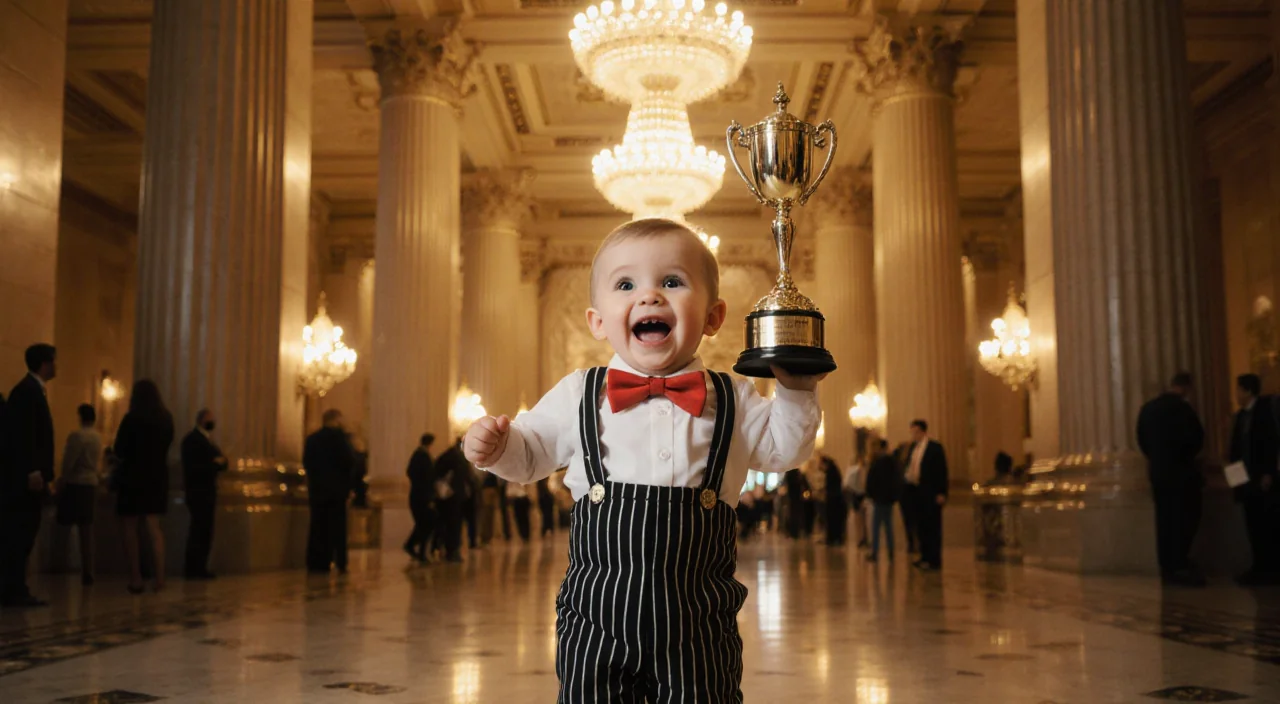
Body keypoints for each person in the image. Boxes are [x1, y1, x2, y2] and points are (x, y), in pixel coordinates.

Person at [464, 218, 823, 701]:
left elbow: (784, 448)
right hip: (596, 621)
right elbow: (531, 454)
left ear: (713, 317)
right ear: (597, 321)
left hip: (699, 625)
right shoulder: (579, 393)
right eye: (626, 285)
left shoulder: (733, 397)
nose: (650, 296)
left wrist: (796, 392)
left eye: (672, 282)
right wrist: (498, 448)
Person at [1136, 372, 1206, 586]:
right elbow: (1196, 439)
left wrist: (1156, 458)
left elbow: (1142, 440)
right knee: (1185, 518)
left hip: (1159, 472)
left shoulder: (1148, 409)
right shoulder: (1183, 409)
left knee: (1164, 519)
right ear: (1187, 388)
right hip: (1182, 473)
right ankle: (1180, 562)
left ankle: (1167, 565)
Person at [0, 343, 57, 607]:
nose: (56, 366)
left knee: (25, 533)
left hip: (32, 478)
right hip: (26, 480)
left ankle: (16, 587)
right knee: (20, 533)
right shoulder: (26, 392)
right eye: (54, 361)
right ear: (44, 363)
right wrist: (32, 470)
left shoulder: (32, 390)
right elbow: (22, 436)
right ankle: (13, 588)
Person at [112, 379, 176, 594]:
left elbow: (119, 449)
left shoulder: (131, 419)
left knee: (129, 527)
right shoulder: (166, 418)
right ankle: (160, 578)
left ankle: (136, 578)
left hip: (132, 476)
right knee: (154, 527)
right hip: (157, 476)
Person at [1229, 373, 1280, 585]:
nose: (1236, 394)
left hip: (1262, 478)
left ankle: (1270, 568)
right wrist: (1235, 481)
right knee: (1252, 524)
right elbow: (1235, 450)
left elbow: (1271, 443)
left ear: (1248, 391)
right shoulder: (1240, 416)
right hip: (1246, 480)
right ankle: (1258, 567)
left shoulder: (1265, 412)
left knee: (1267, 524)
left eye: (1238, 390)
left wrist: (1269, 472)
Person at [303, 409, 358, 574]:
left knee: (317, 527)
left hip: (317, 491)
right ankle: (340, 562)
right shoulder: (340, 439)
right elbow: (350, 461)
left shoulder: (312, 439)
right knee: (338, 528)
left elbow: (307, 463)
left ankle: (316, 562)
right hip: (337, 492)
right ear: (336, 420)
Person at [57, 403, 104, 586]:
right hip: (90, 484)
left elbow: (69, 461)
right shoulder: (97, 437)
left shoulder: (77, 436)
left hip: (75, 483)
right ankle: (88, 570)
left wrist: (62, 479)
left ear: (80, 417)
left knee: (65, 526)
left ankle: (61, 564)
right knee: (87, 529)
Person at [180, 409, 227, 579]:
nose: (212, 422)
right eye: (210, 419)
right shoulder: (192, 440)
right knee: (199, 531)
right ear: (201, 420)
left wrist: (217, 462)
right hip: (199, 492)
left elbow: (224, 461)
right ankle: (194, 568)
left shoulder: (208, 441)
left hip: (207, 492)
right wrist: (215, 463)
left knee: (205, 531)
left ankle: (200, 566)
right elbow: (199, 466)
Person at [905, 419, 949, 572]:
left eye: (916, 432)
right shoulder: (913, 448)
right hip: (917, 492)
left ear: (923, 432)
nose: (913, 435)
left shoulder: (934, 448)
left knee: (933, 527)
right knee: (921, 526)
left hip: (932, 493)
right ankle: (924, 557)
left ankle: (934, 560)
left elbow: (942, 471)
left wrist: (942, 492)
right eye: (912, 432)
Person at [433, 436, 471, 563]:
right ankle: (452, 551)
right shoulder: (457, 457)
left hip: (450, 497)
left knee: (449, 524)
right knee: (454, 525)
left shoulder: (450, 455)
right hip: (453, 497)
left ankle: (446, 549)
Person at [864, 439, 902, 562]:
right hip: (888, 499)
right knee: (888, 526)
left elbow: (871, 480)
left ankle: (875, 552)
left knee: (876, 526)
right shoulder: (893, 462)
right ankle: (891, 552)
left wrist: (871, 495)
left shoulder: (877, 462)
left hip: (879, 499)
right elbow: (897, 480)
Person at [404, 433, 436, 562]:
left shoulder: (417, 454)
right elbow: (429, 477)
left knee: (423, 524)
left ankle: (415, 548)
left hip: (417, 495)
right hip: (422, 496)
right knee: (426, 523)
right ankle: (414, 547)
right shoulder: (423, 456)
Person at [821, 455, 847, 547]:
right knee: (837, 520)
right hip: (837, 500)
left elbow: (830, 487)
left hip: (832, 500)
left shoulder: (830, 472)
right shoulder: (834, 470)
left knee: (832, 520)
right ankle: (837, 538)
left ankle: (832, 539)